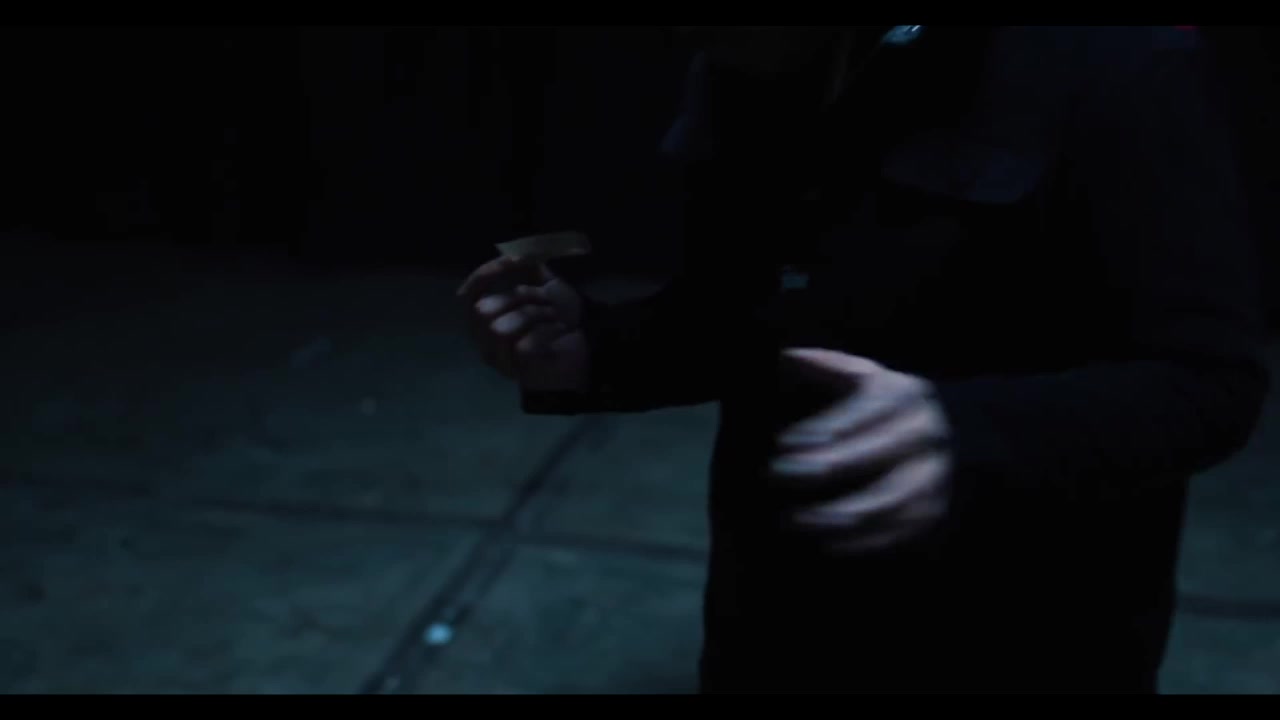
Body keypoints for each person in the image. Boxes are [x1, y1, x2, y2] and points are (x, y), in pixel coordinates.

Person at [458, 26, 1270, 694]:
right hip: (772, 624)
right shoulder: (748, 60)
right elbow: (749, 312)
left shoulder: (1120, 60)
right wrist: (596, 349)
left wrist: (969, 434)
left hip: (1022, 640)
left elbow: (1208, 381)